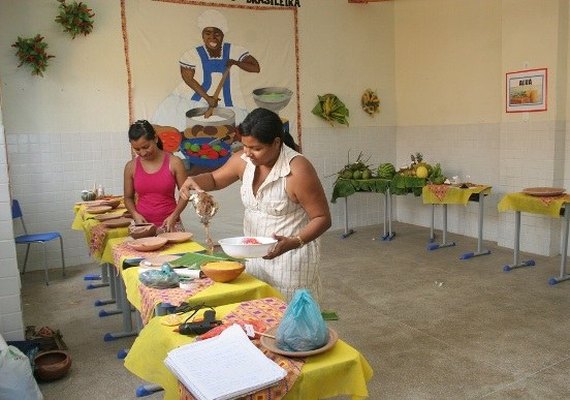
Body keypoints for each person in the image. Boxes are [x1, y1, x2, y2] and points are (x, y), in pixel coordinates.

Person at [180, 108, 331, 301]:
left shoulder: (297, 170)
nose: (248, 153)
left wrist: (293, 242)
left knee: (290, 322)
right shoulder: (243, 161)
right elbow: (215, 179)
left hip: (291, 262)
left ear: (276, 143)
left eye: (256, 148)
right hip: (255, 260)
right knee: (260, 315)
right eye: (245, 146)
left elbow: (322, 218)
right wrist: (194, 180)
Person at [153, 9, 260, 130]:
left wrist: (236, 62)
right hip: (192, 101)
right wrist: (207, 98)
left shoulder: (234, 51)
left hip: (230, 103)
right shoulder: (192, 54)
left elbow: (255, 67)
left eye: (217, 33)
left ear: (223, 35)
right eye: (208, 33)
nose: (212, 37)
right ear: (202, 36)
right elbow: (187, 78)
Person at [124, 120, 189, 233]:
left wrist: (174, 216)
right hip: (143, 227)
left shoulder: (174, 162)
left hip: (170, 225)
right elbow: (128, 198)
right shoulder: (130, 166)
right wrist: (135, 214)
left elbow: (185, 194)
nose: (143, 153)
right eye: (137, 149)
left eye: (146, 147)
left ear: (155, 138)